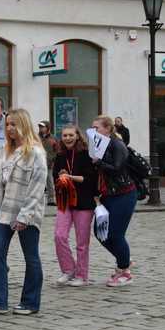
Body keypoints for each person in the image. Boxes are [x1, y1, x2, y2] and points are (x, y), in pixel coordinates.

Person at [0, 109, 47, 315]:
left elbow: (37, 189)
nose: (9, 128)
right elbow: (2, 185)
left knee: (31, 257)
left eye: (13, 124)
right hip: (4, 211)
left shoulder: (35, 153)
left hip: (26, 212)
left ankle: (30, 302)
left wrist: (25, 216)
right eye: (7, 125)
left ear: (23, 125)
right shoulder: (5, 151)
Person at [92, 115, 137, 287]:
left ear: (108, 129)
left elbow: (117, 169)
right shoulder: (99, 145)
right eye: (92, 128)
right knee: (99, 232)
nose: (94, 131)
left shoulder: (117, 144)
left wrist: (99, 162)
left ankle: (124, 271)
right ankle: (124, 258)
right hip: (107, 195)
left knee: (115, 234)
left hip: (124, 194)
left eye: (97, 128)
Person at [52, 125, 97, 287]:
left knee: (82, 242)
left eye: (71, 135)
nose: (68, 138)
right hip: (65, 201)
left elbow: (90, 179)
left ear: (77, 136)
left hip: (84, 202)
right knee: (59, 235)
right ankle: (68, 269)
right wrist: (61, 180)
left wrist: (70, 177)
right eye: (65, 135)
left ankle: (81, 275)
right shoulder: (59, 156)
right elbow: (55, 176)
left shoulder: (86, 155)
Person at [38, 120, 59, 205]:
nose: (40, 128)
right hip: (38, 164)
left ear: (47, 128)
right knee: (37, 182)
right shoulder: (36, 137)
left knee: (50, 182)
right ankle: (38, 200)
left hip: (49, 164)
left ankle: (51, 200)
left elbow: (57, 150)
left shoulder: (53, 139)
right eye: (40, 126)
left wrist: (53, 160)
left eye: (42, 126)